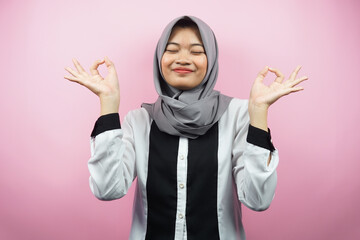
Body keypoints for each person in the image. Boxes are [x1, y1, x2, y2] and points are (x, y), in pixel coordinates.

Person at [64, 15, 308, 240]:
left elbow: (258, 199)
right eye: (171, 50)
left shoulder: (237, 116)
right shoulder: (139, 121)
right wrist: (108, 104)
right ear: (159, 58)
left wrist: (259, 113)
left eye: (196, 51)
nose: (183, 59)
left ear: (210, 59)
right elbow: (107, 189)